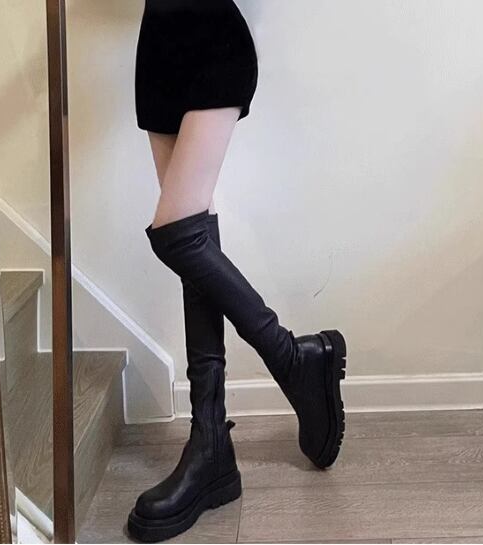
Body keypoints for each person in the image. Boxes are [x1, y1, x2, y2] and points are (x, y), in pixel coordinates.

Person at [127, 1, 347, 541]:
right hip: (157, 48)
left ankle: (290, 356)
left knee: (178, 233)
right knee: (193, 236)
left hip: (211, 40)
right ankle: (212, 449)